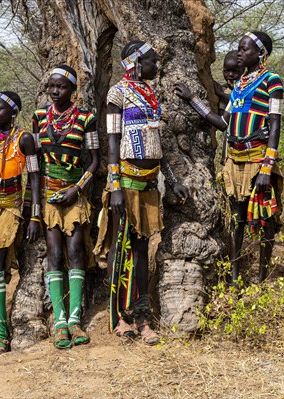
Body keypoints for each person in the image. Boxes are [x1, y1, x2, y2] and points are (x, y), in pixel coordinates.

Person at [94, 40, 190, 345]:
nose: (155, 66)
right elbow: (112, 140)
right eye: (151, 61)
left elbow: (156, 147)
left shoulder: (150, 95)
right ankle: (120, 317)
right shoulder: (117, 93)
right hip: (127, 184)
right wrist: (116, 185)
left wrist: (171, 180)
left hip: (149, 186)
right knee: (119, 250)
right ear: (134, 62)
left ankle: (143, 317)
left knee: (140, 251)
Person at [174, 31, 284, 287]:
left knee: (264, 219)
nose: (240, 53)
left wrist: (268, 166)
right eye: (239, 48)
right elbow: (224, 122)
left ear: (261, 54)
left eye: (245, 49)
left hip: (259, 160)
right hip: (234, 160)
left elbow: (275, 125)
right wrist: (193, 100)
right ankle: (235, 279)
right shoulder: (240, 86)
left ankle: (263, 279)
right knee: (237, 219)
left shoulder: (272, 81)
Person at [32, 65, 100, 349]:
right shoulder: (38, 118)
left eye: (61, 86)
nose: (55, 91)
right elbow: (34, 163)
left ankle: (75, 320)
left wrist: (77, 189)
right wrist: (34, 208)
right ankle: (59, 322)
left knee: (75, 252)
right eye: (51, 86)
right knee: (55, 255)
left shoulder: (87, 118)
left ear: (73, 90)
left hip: (74, 195)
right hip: (48, 196)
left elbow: (96, 162)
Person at [0, 91, 41, 357]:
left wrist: (34, 214)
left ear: (13, 112)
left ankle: (1, 334)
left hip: (13, 209)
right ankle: (1, 328)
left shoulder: (24, 139)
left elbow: (35, 178)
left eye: (0, 109)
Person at [214, 50, 243, 115]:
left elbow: (240, 101)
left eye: (235, 71)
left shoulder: (246, 86)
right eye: (227, 71)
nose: (230, 74)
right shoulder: (224, 88)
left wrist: (221, 94)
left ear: (242, 70)